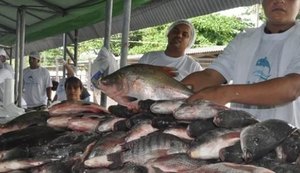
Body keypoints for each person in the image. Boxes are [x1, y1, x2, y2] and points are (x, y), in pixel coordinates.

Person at [181, 0, 300, 128]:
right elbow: (211, 76)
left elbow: (292, 87)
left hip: (288, 140)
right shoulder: (244, 39)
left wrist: (227, 93)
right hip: (238, 136)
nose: (279, 0)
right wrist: (167, 88)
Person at [138, 19, 203, 81]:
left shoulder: (194, 67)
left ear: (189, 41)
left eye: (185, 34)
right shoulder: (148, 58)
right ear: (168, 34)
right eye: (175, 31)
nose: (179, 35)